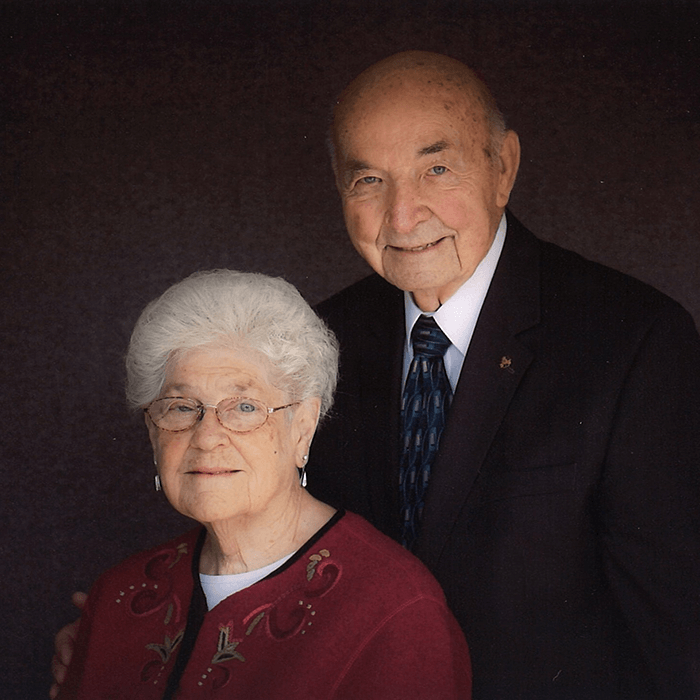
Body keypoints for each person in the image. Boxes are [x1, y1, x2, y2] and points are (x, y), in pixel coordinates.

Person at [53, 51, 700, 699]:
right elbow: (261, 539)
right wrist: (129, 643)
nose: (403, 215)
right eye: (368, 180)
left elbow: (676, 630)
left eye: (436, 169)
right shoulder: (319, 339)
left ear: (503, 167)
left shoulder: (633, 340)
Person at [54, 269, 471, 699]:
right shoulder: (118, 596)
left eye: (245, 407)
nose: (207, 437)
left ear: (303, 427)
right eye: (180, 407)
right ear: (152, 429)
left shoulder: (396, 611)